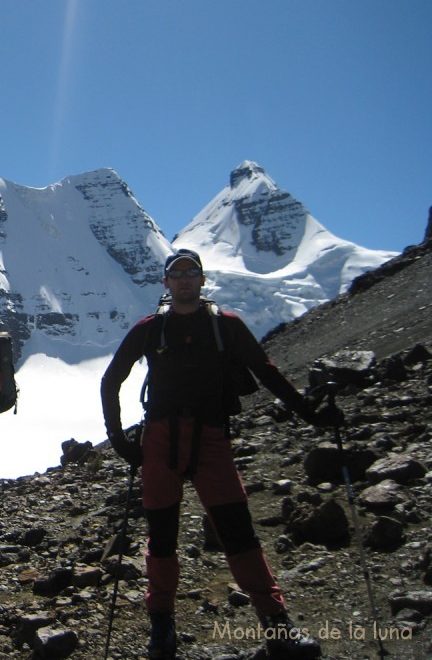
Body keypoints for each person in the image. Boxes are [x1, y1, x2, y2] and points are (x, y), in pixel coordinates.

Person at [100, 249, 341, 660]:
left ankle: (276, 626)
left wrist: (310, 414)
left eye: (191, 273)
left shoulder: (223, 327)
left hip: (208, 439)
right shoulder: (151, 328)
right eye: (176, 274)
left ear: (202, 280)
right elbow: (110, 380)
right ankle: (162, 627)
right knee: (162, 539)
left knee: (238, 533)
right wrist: (120, 441)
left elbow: (267, 371)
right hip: (162, 440)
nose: (184, 280)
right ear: (166, 283)